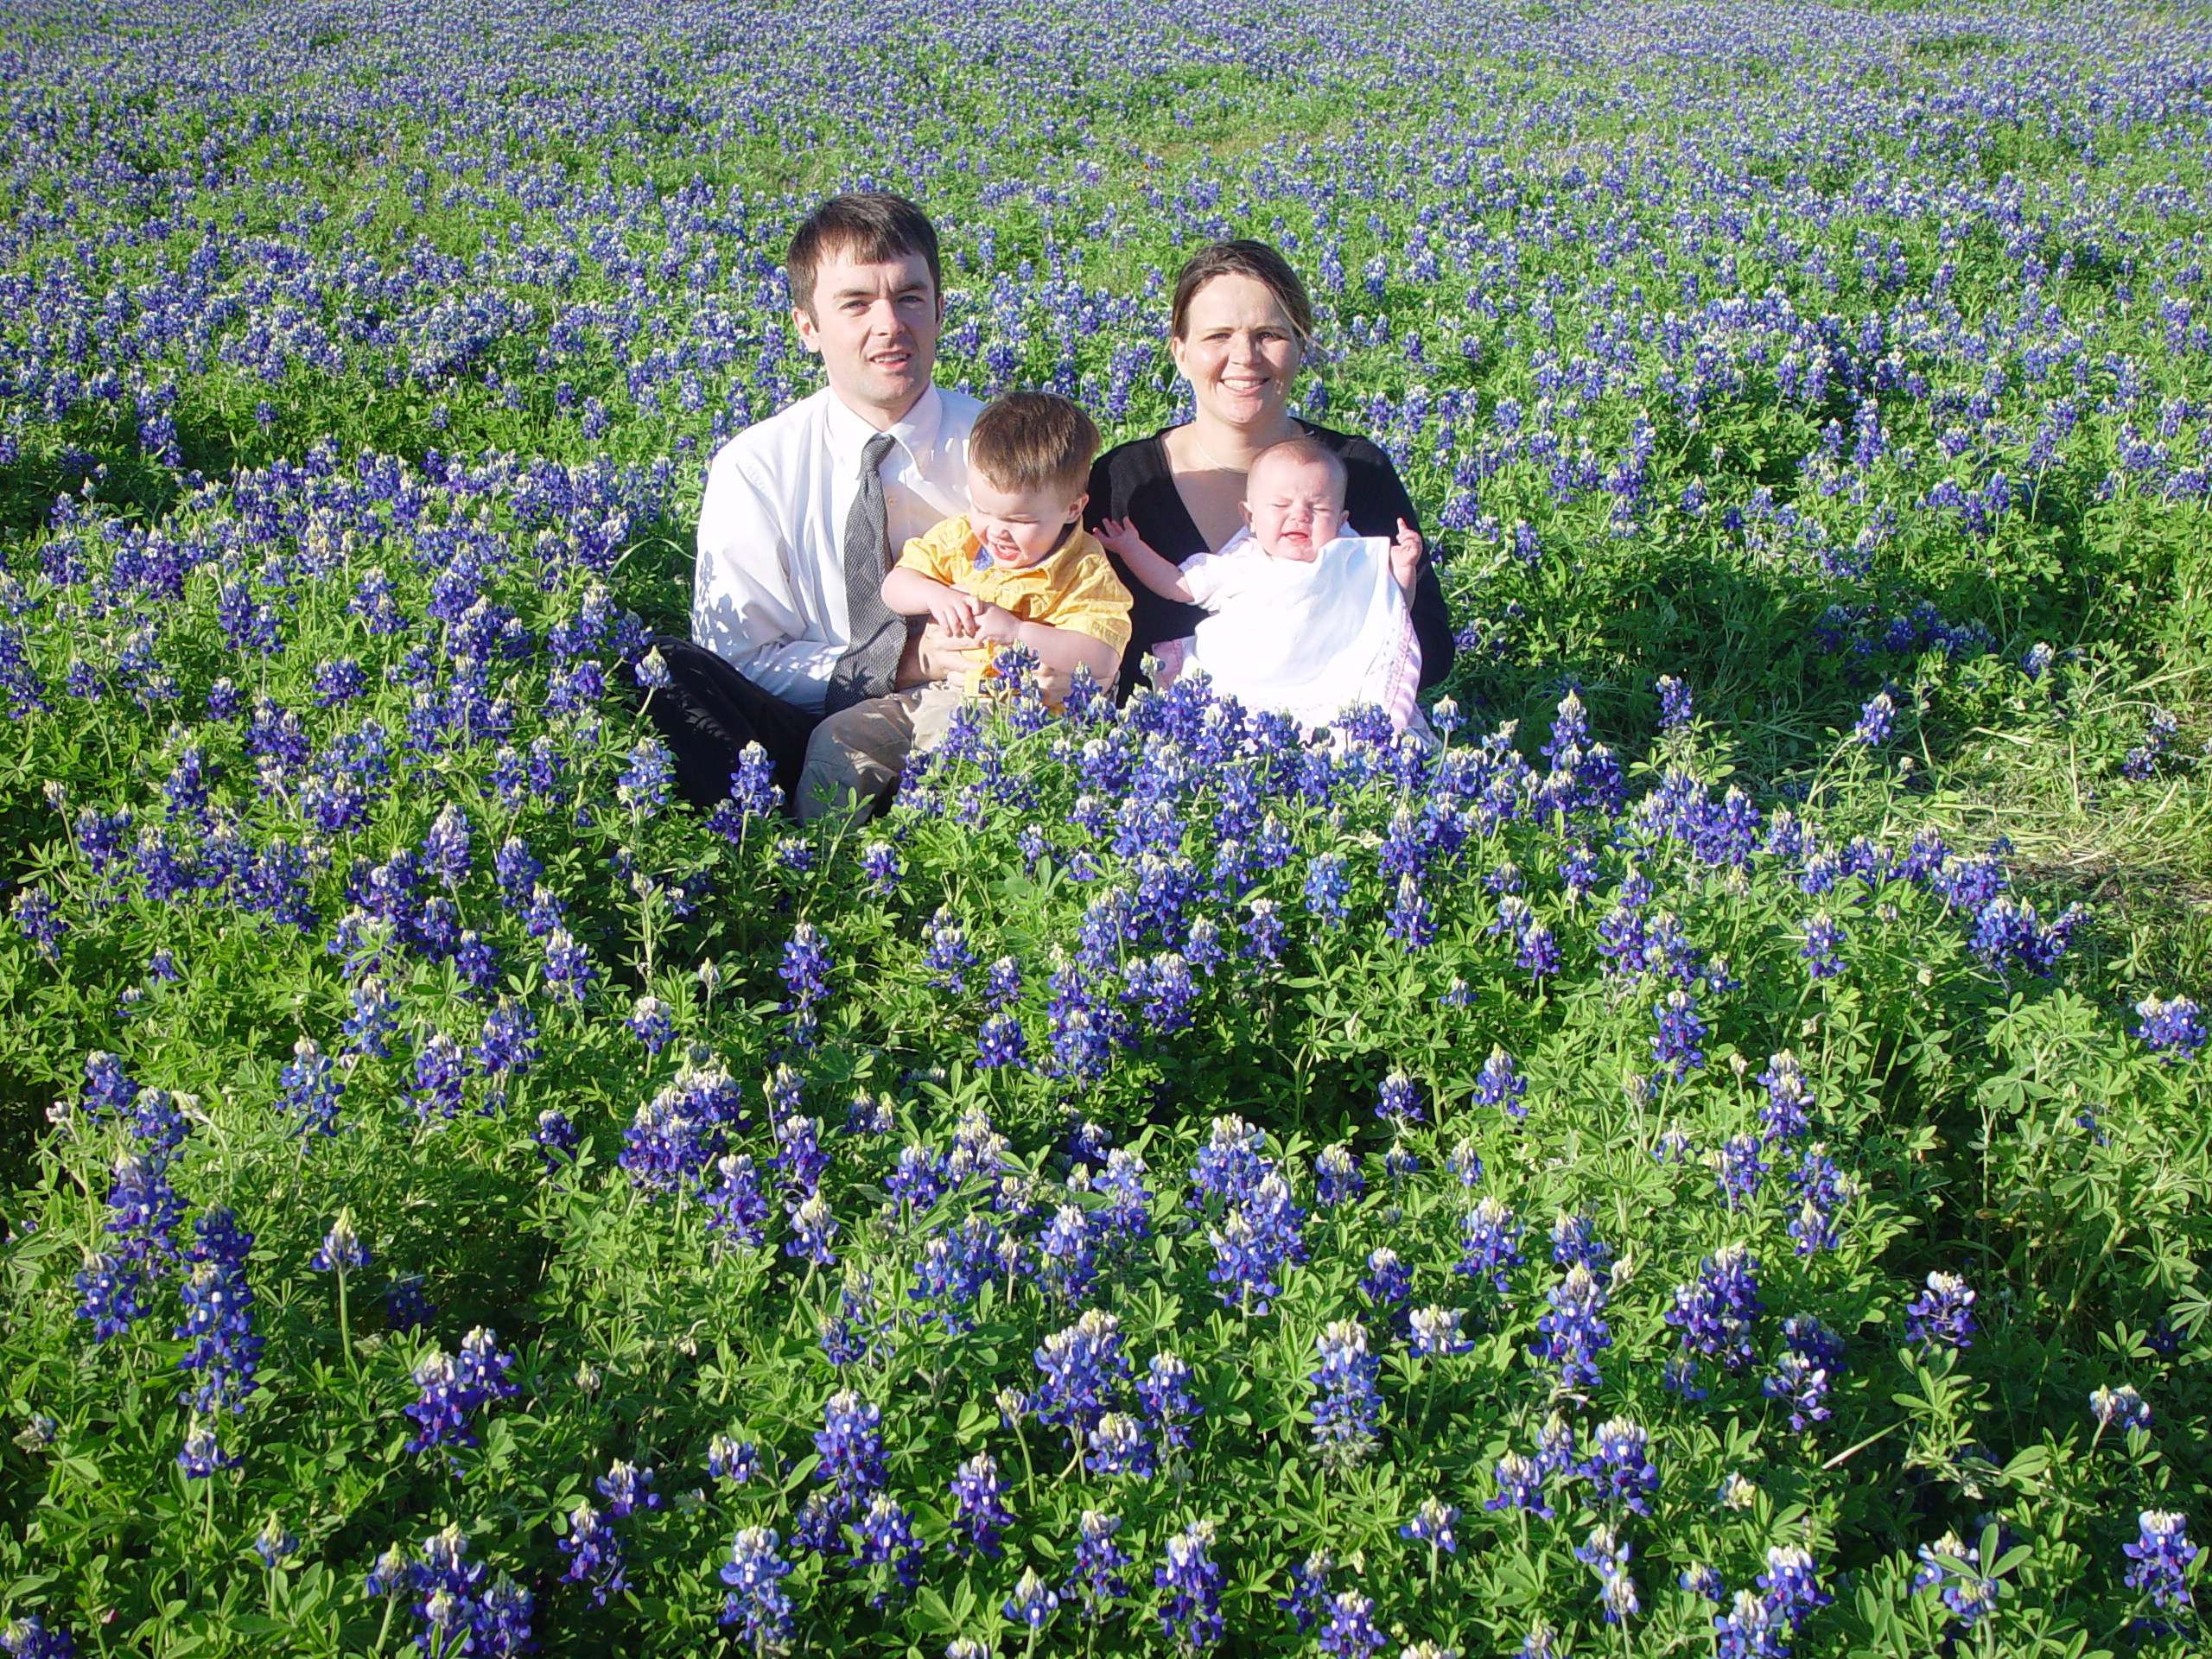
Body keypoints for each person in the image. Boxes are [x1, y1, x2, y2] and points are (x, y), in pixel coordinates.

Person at [639, 193, 983, 810]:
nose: (890, 325)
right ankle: (770, 858)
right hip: (798, 734)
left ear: (939, 310)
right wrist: (903, 660)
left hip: (973, 721)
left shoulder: (1001, 446)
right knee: (665, 675)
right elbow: (738, 660)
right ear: (807, 327)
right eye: (856, 304)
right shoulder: (755, 466)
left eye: (909, 297)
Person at [1084, 239, 1454, 702]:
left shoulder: (1358, 472)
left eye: (1269, 334)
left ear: (1300, 344)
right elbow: (1069, 634)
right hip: (1153, 750)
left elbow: (1432, 649)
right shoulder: (1122, 483)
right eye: (1218, 335)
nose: (1245, 356)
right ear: (1180, 352)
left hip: (1331, 749)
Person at [796, 391, 1133, 822]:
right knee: (838, 738)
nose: (997, 532)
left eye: (1020, 521)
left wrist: (1018, 632)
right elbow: (894, 587)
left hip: (1020, 715)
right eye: (982, 508)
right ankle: (822, 859)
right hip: (939, 691)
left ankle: (915, 858)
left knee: (941, 756)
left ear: (1072, 508)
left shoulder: (1086, 571)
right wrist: (935, 594)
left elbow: (1101, 655)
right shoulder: (961, 537)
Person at [1096, 435, 1425, 733]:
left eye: (1319, 508)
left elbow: (1390, 613)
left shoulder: (1347, 560)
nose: (1300, 516)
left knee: (1353, 737)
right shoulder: (1244, 559)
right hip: (1242, 684)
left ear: (1341, 523)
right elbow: (1177, 584)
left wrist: (1403, 570)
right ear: (1249, 517)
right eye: (1281, 505)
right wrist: (1131, 547)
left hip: (1324, 688)